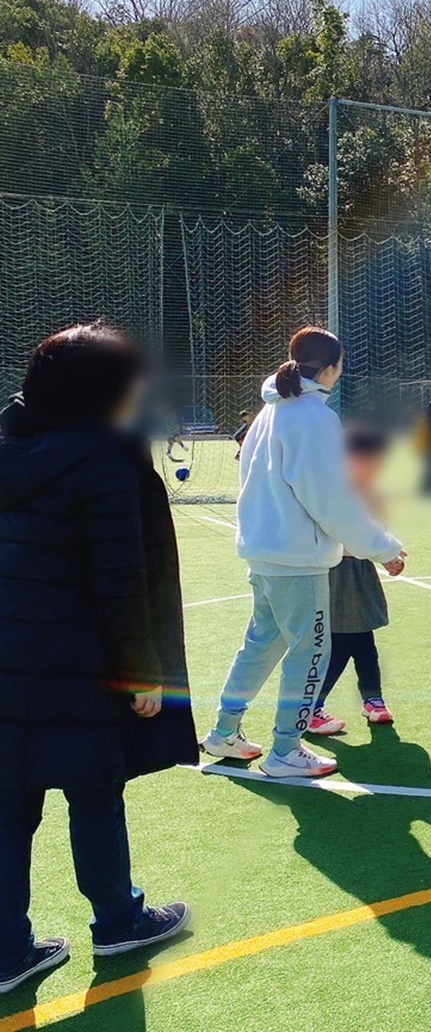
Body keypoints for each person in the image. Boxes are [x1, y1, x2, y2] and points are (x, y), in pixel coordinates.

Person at [0, 324, 197, 993]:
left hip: (9, 660)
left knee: (8, 805)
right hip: (76, 666)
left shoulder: (9, 445)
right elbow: (121, 581)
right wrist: (142, 670)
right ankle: (118, 920)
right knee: (94, 794)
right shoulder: (104, 463)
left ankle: (6, 950)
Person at [202, 327, 407, 779]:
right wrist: (382, 547)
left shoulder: (270, 411)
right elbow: (331, 499)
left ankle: (225, 731)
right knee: (310, 651)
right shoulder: (311, 416)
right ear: (332, 367)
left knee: (260, 645)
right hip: (297, 559)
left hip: (265, 552)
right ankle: (285, 750)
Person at [309, 428, 396, 732]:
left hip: (360, 576)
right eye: (369, 461)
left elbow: (378, 534)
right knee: (343, 644)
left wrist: (387, 555)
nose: (375, 468)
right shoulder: (333, 493)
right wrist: (375, 549)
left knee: (363, 642)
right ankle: (313, 706)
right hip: (335, 574)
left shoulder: (372, 493)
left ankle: (373, 700)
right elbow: (334, 538)